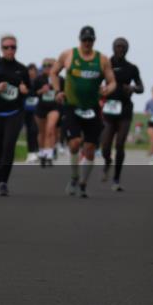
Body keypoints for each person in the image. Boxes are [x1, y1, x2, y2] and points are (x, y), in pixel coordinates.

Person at [49, 26, 117, 198]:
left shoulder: (102, 60)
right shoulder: (68, 55)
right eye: (84, 40)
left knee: (90, 148)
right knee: (74, 143)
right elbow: (54, 72)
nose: (87, 43)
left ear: (94, 41)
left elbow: (112, 82)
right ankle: (73, 177)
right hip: (72, 105)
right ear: (79, 40)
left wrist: (107, 89)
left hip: (92, 108)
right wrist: (58, 91)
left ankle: (83, 183)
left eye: (90, 40)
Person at [0, 35, 31, 196]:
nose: (10, 50)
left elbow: (29, 90)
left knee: (9, 145)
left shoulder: (22, 69)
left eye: (13, 47)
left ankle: (4, 182)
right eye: (6, 47)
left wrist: (26, 91)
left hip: (15, 112)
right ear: (1, 48)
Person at [100, 37, 144, 191]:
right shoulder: (106, 64)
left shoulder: (132, 68)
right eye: (117, 46)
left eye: (123, 47)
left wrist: (132, 89)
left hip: (125, 109)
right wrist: (100, 92)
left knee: (120, 144)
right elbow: (97, 83)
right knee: (105, 145)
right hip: (109, 109)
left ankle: (116, 179)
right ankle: (107, 161)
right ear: (113, 48)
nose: (120, 49)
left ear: (127, 49)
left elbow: (141, 87)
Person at [33, 58, 61, 167]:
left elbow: (64, 92)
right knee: (42, 132)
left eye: (50, 66)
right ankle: (42, 152)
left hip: (54, 107)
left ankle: (49, 154)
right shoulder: (38, 79)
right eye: (45, 66)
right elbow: (31, 93)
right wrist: (41, 91)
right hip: (41, 108)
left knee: (50, 129)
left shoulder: (59, 79)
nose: (47, 68)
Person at [23, 63, 41, 163]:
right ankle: (31, 152)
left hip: (38, 110)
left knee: (35, 130)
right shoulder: (24, 82)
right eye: (29, 71)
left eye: (33, 71)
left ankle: (37, 151)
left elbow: (38, 93)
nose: (31, 73)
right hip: (26, 110)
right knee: (30, 131)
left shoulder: (39, 82)